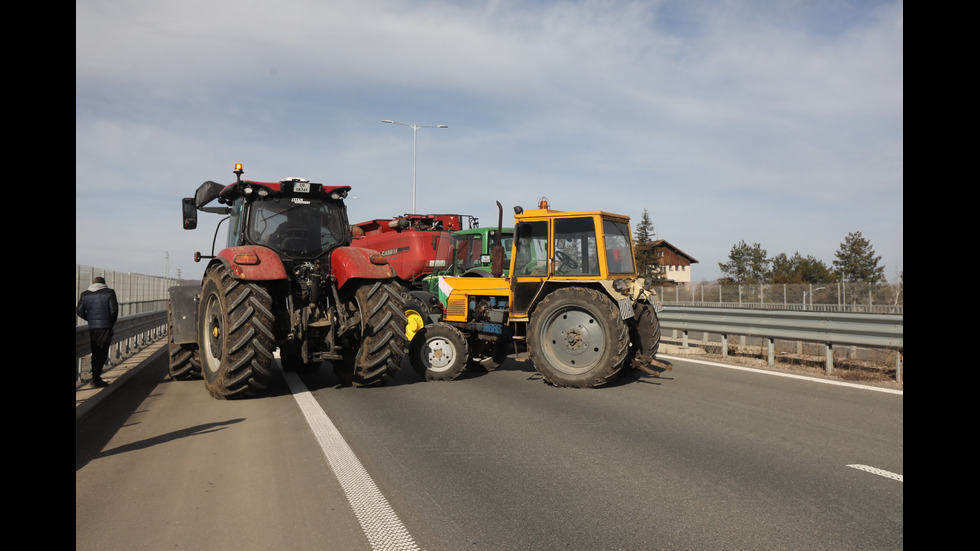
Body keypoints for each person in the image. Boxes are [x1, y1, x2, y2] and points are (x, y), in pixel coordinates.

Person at [77, 276, 119, 387]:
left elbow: (79, 311)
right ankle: (96, 378)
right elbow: (114, 310)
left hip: (92, 327)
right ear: (104, 283)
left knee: (95, 351)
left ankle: (95, 377)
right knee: (102, 352)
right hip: (105, 327)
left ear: (93, 283)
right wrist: (111, 322)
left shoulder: (85, 294)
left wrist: (90, 319)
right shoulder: (109, 292)